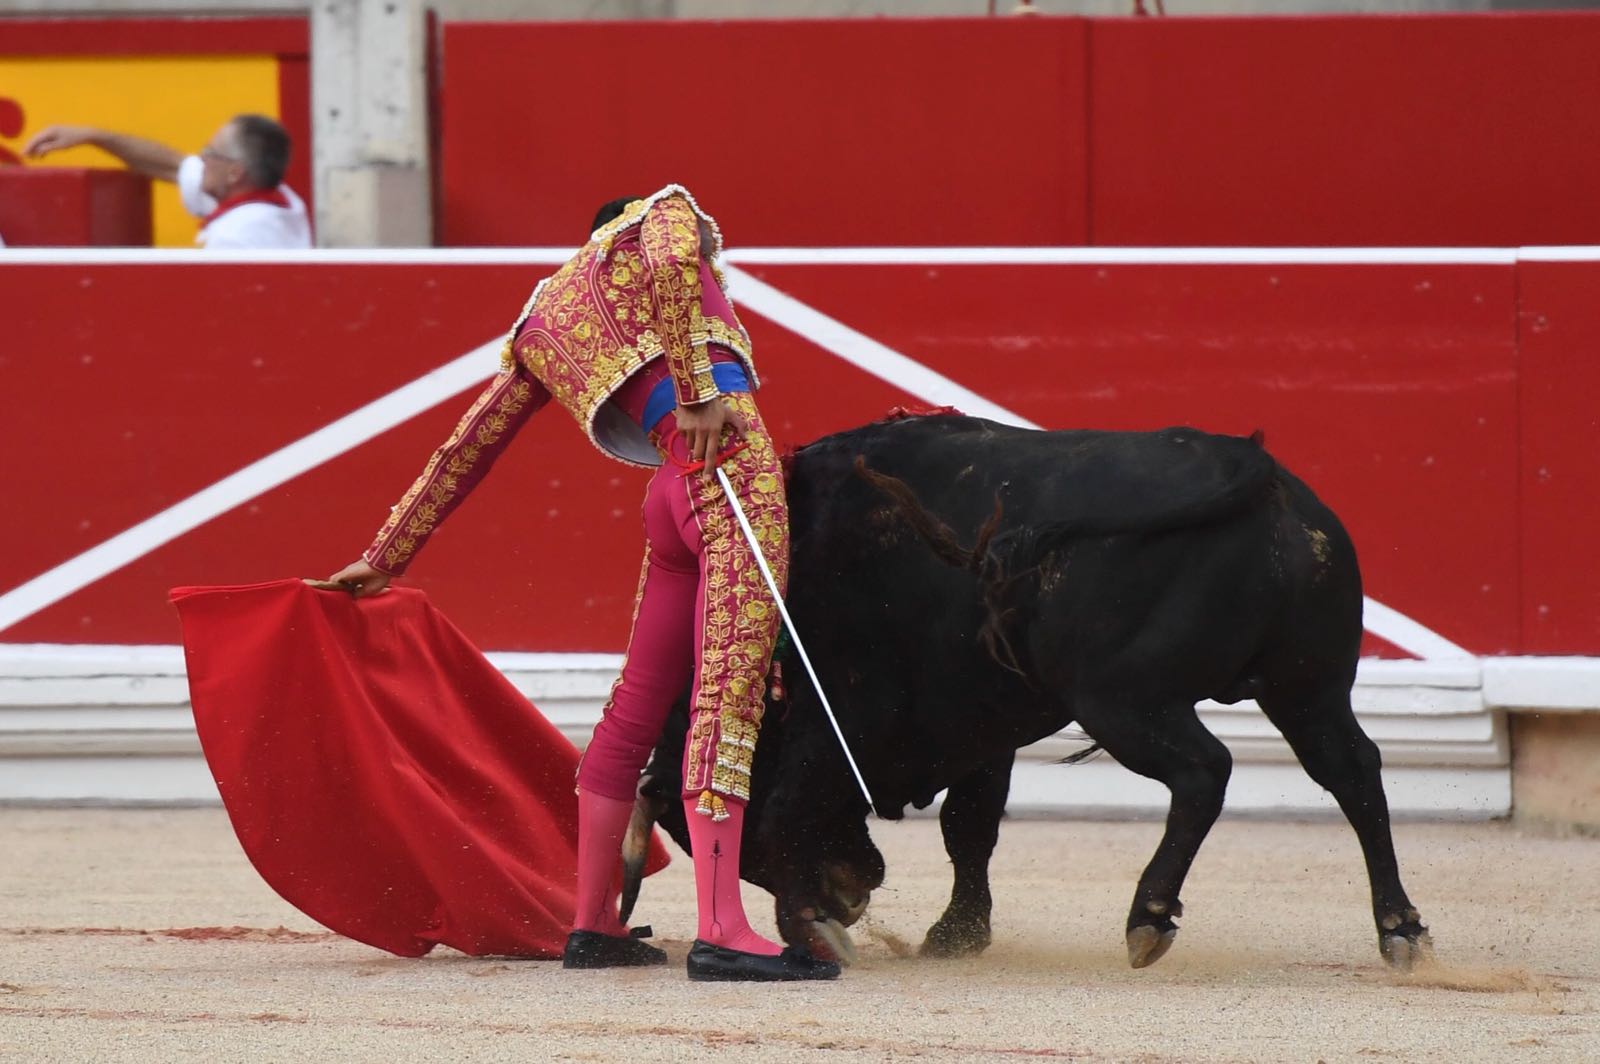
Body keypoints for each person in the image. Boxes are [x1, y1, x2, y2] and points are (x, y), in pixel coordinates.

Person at [325, 185, 839, 983]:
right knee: (724, 696)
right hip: (729, 474)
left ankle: (593, 922)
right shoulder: (662, 214)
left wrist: (388, 552)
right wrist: (700, 389)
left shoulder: (546, 320)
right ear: (621, 226)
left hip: (667, 498)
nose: (707, 255)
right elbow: (674, 257)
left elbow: (468, 447)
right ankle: (723, 930)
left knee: (635, 704)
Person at [23, 114, 311, 249]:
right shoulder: (273, 195)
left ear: (235, 173)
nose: (201, 159)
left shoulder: (235, 238)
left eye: (210, 153)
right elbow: (171, 165)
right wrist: (94, 136)